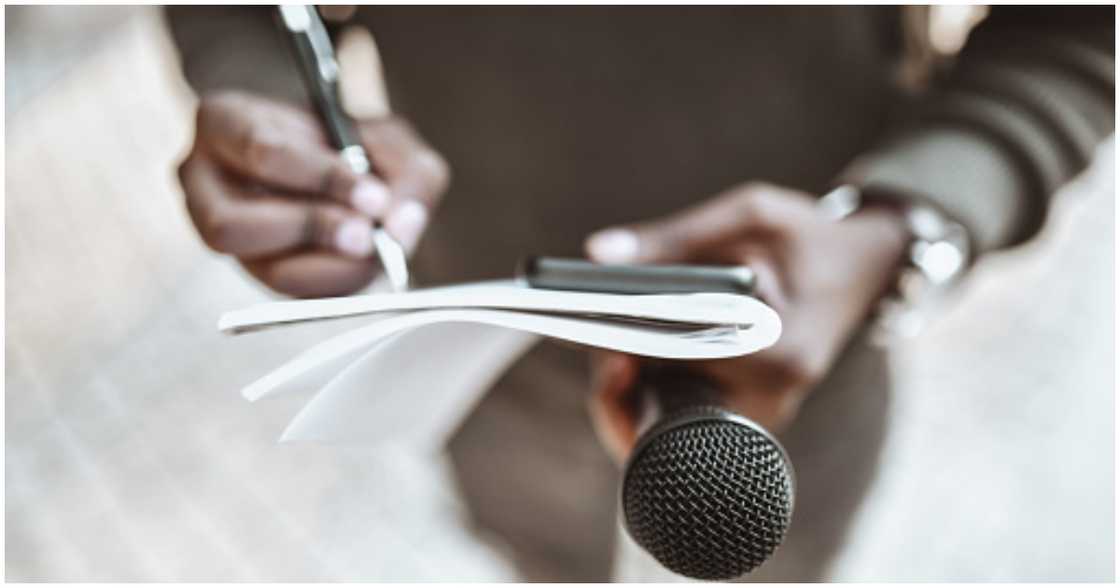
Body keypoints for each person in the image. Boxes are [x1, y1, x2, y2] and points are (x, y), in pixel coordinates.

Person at [167, 6, 1114, 581]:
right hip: (494, 379)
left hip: (790, 394)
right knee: (542, 561)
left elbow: (1078, 24)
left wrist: (910, 222)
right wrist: (278, 120)